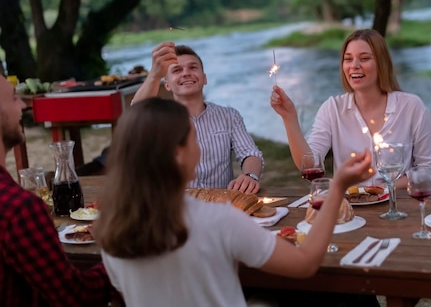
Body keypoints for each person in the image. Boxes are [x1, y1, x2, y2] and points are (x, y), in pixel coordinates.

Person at [96, 97, 374, 307]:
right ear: (178, 154)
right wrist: (336, 187)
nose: (200, 147)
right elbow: (305, 263)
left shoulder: (111, 228)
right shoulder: (218, 219)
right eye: (193, 139)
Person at [270, 29, 431, 189]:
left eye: (364, 58)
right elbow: (308, 164)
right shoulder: (332, 109)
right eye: (348, 59)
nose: (354, 65)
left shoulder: (412, 107)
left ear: (382, 63)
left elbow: (428, 170)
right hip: (352, 213)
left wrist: (382, 189)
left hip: (399, 210)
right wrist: (289, 118)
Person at [0, 75, 113, 306]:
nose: (23, 104)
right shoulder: (19, 209)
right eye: (13, 98)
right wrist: (120, 258)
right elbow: (75, 296)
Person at [133, 42, 263, 193]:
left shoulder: (229, 116)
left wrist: (250, 176)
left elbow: (250, 153)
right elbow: (136, 115)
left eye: (193, 67)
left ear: (204, 78)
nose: (186, 73)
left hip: (221, 204)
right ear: (167, 85)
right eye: (177, 70)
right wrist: (154, 75)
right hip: (175, 206)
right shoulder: (160, 119)